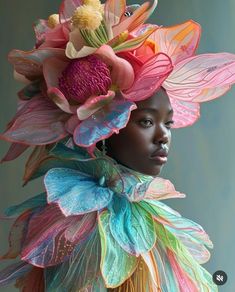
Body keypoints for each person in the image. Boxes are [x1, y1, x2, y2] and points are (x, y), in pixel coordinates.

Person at [1, 0, 235, 291]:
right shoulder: (79, 226)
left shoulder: (150, 216)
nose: (164, 136)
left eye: (169, 123)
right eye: (147, 122)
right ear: (102, 125)